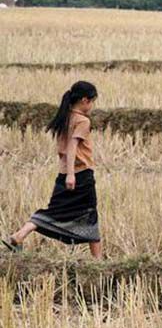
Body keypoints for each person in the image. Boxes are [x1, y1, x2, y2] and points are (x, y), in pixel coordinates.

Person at [2, 81, 103, 259]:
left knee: (54, 212)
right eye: (92, 101)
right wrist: (72, 174)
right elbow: (72, 147)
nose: (92, 106)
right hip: (80, 175)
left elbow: (62, 149)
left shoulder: (65, 117)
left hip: (62, 174)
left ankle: (19, 235)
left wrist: (67, 173)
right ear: (85, 100)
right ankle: (99, 261)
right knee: (90, 214)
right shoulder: (82, 121)